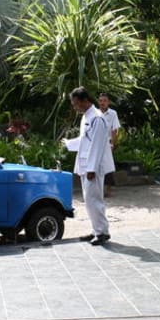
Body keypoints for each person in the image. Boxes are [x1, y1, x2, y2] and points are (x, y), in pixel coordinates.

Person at [63, 86, 112, 245]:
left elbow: (97, 146)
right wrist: (68, 144)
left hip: (93, 167)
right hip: (86, 165)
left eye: (76, 103)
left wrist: (91, 169)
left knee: (94, 199)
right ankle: (97, 230)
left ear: (85, 101)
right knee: (89, 199)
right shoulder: (87, 116)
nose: (75, 107)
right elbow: (85, 140)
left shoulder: (97, 118)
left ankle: (102, 232)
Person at [98, 92, 120, 196]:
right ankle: (98, 189)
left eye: (105, 101)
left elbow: (114, 129)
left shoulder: (113, 113)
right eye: (101, 100)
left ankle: (109, 189)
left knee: (109, 166)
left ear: (108, 102)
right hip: (97, 144)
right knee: (97, 166)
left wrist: (113, 143)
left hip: (108, 143)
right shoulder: (95, 113)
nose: (102, 103)